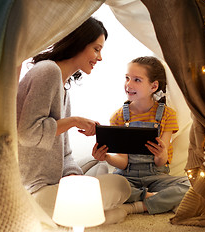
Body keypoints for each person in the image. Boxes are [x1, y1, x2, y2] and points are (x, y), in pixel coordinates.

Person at [17, 17, 131, 224]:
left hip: (55, 181)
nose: (100, 57)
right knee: (120, 186)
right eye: (96, 49)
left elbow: (65, 152)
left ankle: (86, 214)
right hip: (34, 190)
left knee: (101, 166)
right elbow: (27, 133)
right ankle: (125, 209)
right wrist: (73, 121)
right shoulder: (47, 71)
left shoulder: (63, 84)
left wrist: (72, 176)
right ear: (79, 43)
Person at [92, 56, 190, 215]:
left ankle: (137, 206)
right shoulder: (118, 117)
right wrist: (106, 157)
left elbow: (160, 163)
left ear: (154, 86)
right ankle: (151, 198)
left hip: (157, 176)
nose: (128, 84)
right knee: (101, 186)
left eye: (137, 80)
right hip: (127, 177)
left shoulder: (167, 115)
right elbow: (123, 163)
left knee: (190, 186)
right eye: (127, 78)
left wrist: (161, 153)